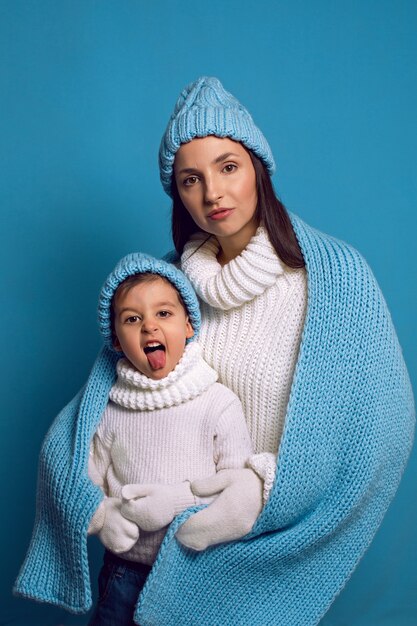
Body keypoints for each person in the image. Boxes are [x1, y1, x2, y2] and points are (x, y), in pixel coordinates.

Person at [14, 77, 414, 626]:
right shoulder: (163, 288)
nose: (213, 194)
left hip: (253, 563)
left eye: (229, 167)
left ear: (259, 170)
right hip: (139, 565)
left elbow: (382, 427)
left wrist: (259, 485)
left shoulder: (332, 279)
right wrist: (94, 507)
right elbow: (92, 415)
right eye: (190, 179)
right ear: (177, 194)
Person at [86, 252, 255, 625]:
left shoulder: (218, 403)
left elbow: (235, 488)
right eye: (133, 319)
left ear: (189, 325)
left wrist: (177, 500)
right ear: (116, 339)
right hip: (125, 573)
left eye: (164, 314)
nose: (150, 328)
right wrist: (102, 516)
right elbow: (82, 481)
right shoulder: (108, 410)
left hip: (198, 572)